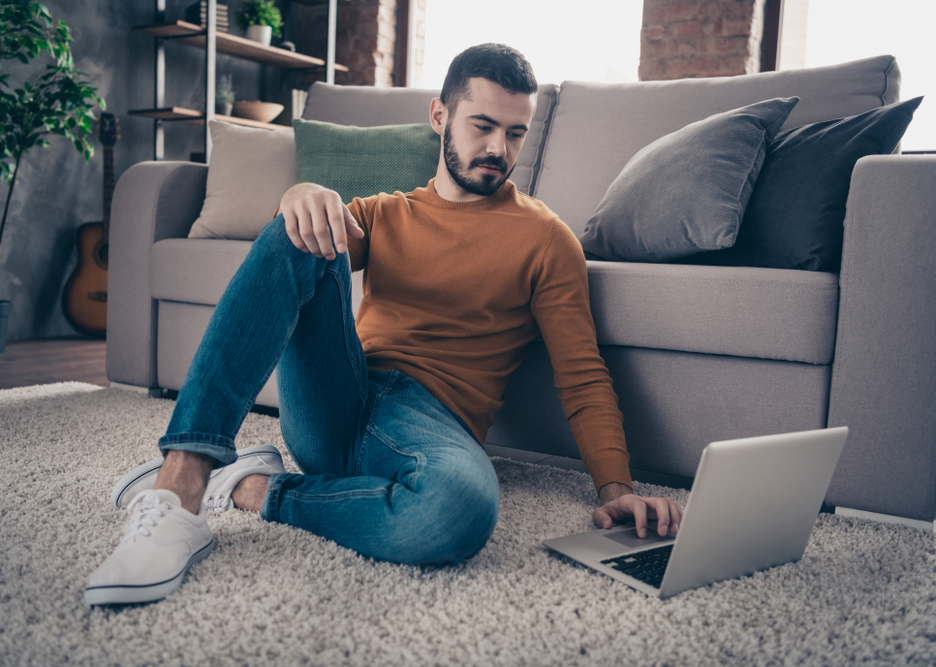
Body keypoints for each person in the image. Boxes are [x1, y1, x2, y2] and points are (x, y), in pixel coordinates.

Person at [85, 43, 683, 606]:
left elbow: (582, 375)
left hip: (432, 426)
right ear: (440, 116)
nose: (498, 148)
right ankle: (181, 484)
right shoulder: (384, 213)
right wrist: (299, 193)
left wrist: (617, 490)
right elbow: (291, 253)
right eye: (482, 125)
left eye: (515, 132)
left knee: (460, 508)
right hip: (336, 401)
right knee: (303, 226)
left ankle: (249, 486)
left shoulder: (547, 239)